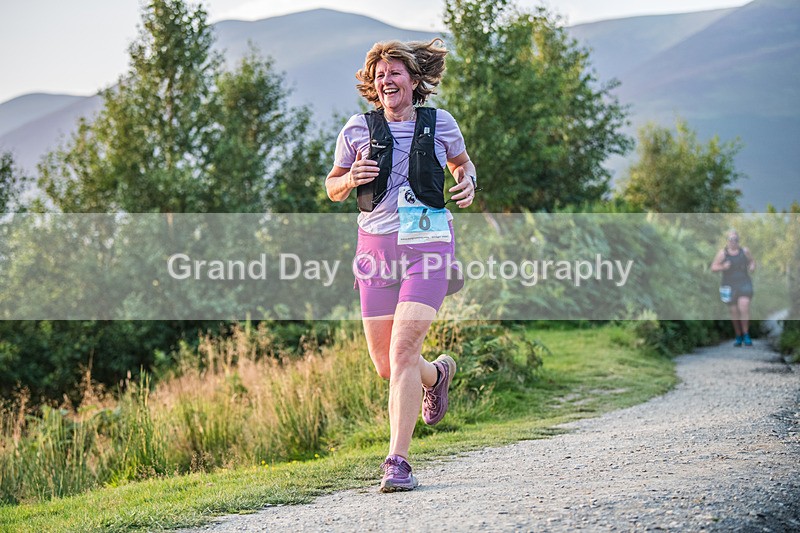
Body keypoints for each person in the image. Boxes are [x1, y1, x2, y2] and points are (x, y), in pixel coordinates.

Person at [325, 39, 477, 492]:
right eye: (379, 75)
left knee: (404, 349)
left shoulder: (440, 123)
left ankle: (398, 461)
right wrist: (350, 179)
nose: (386, 80)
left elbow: (462, 165)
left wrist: (468, 182)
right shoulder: (357, 129)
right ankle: (438, 375)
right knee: (387, 365)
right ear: (373, 86)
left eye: (394, 72)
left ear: (413, 79)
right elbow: (332, 186)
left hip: (428, 243)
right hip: (375, 249)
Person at [711, 229, 756, 346]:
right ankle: (738, 335)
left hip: (744, 282)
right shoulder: (723, 253)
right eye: (731, 239)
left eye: (735, 239)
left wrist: (752, 266)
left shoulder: (744, 251)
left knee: (744, 307)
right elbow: (713, 267)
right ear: (727, 240)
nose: (733, 242)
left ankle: (746, 334)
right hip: (728, 285)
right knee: (734, 311)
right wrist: (723, 267)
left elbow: (752, 261)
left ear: (738, 240)